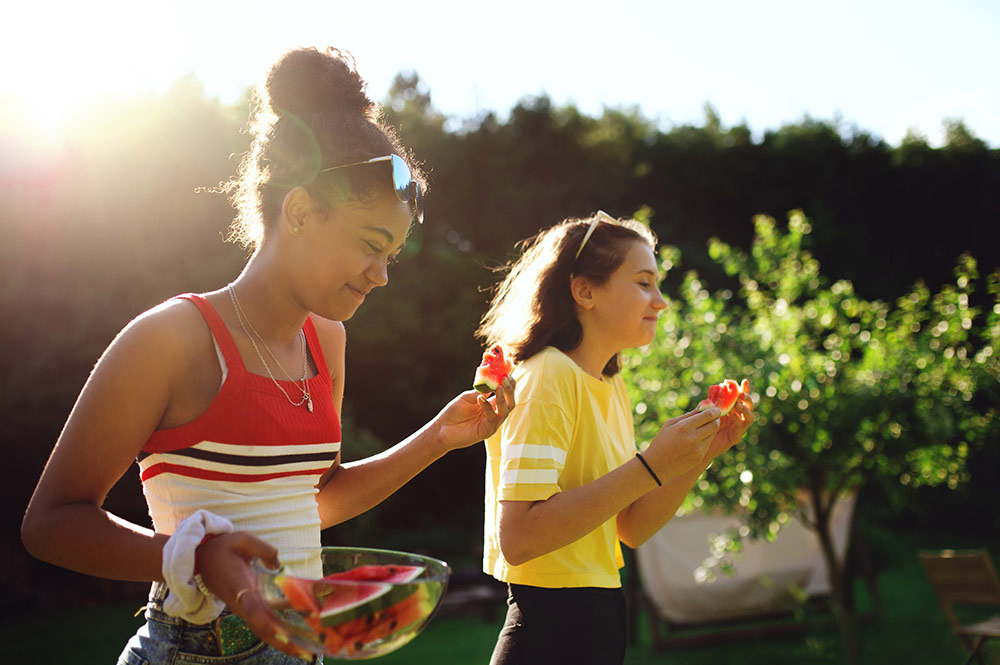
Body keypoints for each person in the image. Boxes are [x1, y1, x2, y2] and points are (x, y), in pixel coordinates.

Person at [20, 46, 515, 664]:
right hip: (194, 651)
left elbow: (315, 495)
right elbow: (51, 522)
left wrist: (439, 437)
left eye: (391, 255)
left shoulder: (326, 339)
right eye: (371, 245)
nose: (382, 275)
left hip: (300, 649)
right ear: (302, 211)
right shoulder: (172, 340)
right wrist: (192, 556)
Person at [476, 211, 755, 665]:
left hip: (601, 620)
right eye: (644, 282)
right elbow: (520, 536)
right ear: (584, 290)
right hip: (550, 632)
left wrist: (701, 452)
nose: (660, 302)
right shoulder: (548, 374)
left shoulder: (609, 384)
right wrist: (651, 465)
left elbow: (632, 527)